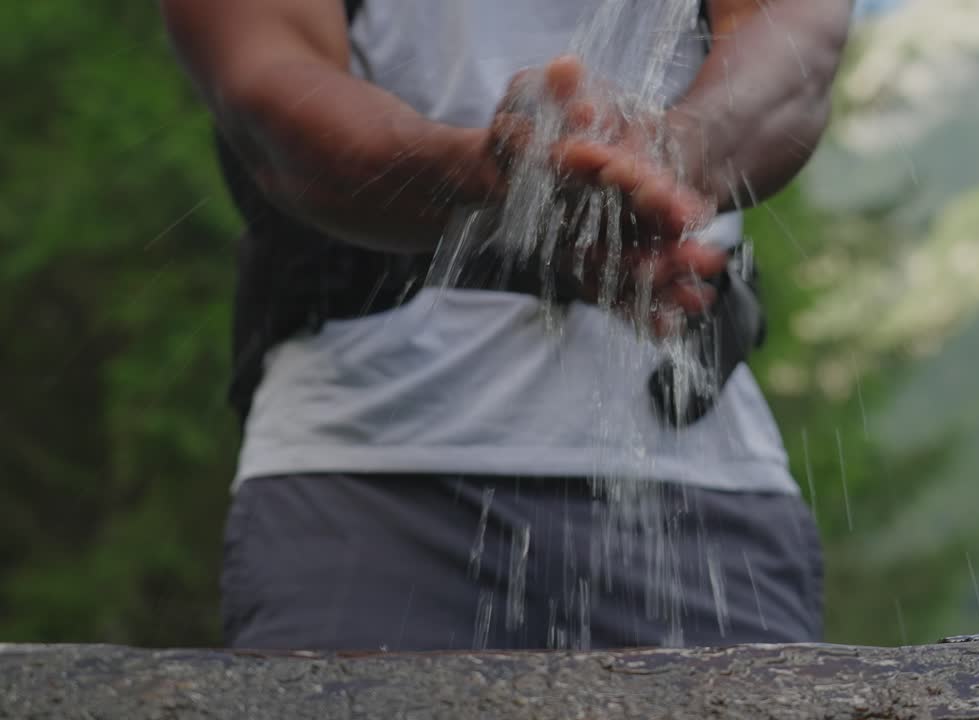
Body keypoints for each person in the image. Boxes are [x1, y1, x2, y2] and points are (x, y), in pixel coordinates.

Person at [160, 0, 852, 651]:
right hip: (363, 472)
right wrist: (491, 181)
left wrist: (658, 165)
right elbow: (266, 91)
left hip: (694, 471)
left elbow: (794, 51)